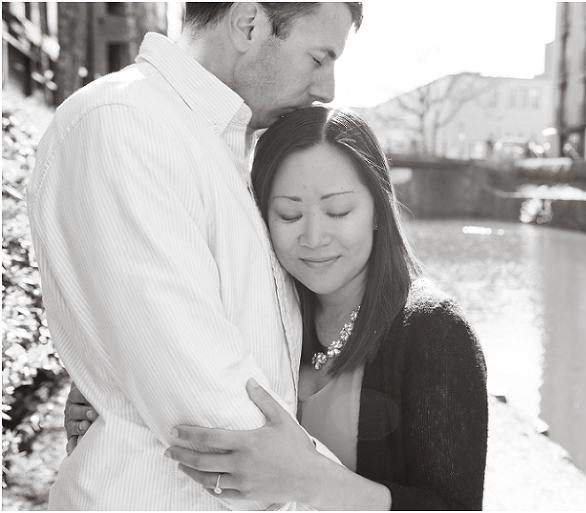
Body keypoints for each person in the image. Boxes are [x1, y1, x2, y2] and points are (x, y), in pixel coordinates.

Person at [66, 106, 489, 509]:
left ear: (378, 209)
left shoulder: (434, 332)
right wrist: (112, 395)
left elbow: (456, 507)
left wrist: (310, 479)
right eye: (289, 215)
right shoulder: (260, 304)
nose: (314, 236)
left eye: (338, 210)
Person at [27, 3, 362, 510]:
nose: (328, 89)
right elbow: (214, 418)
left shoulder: (221, 147)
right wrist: (358, 496)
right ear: (249, 22)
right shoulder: (128, 124)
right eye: (318, 58)